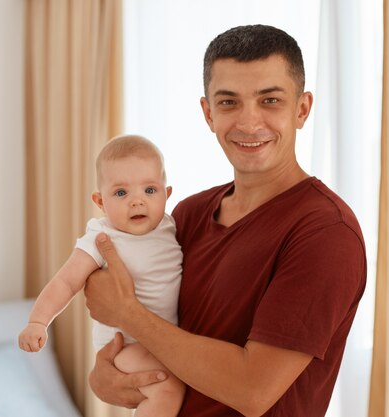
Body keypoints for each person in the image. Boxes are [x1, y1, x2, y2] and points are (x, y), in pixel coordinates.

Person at [84, 25, 367, 417]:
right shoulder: (186, 215)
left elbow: (253, 390)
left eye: (269, 100)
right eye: (230, 102)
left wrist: (127, 312)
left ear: (301, 109)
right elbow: (136, 349)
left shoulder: (326, 233)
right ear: (208, 113)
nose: (249, 123)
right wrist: (102, 376)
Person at [18, 135, 185, 417]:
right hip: (125, 346)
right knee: (166, 385)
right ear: (100, 201)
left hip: (162, 340)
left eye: (150, 190)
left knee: (171, 382)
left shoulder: (170, 226)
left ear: (167, 194)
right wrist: (38, 321)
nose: (137, 202)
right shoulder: (102, 236)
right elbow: (66, 281)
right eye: (121, 193)